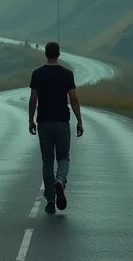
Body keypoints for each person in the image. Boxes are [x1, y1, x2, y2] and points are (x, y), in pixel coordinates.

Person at [28, 41, 84, 214]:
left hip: (44, 122)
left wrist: (31, 120)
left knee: (47, 162)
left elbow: (33, 99)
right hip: (62, 122)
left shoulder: (37, 74)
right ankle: (60, 180)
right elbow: (73, 98)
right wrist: (79, 120)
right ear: (58, 54)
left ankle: (51, 200)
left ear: (46, 54)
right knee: (63, 158)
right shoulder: (67, 74)